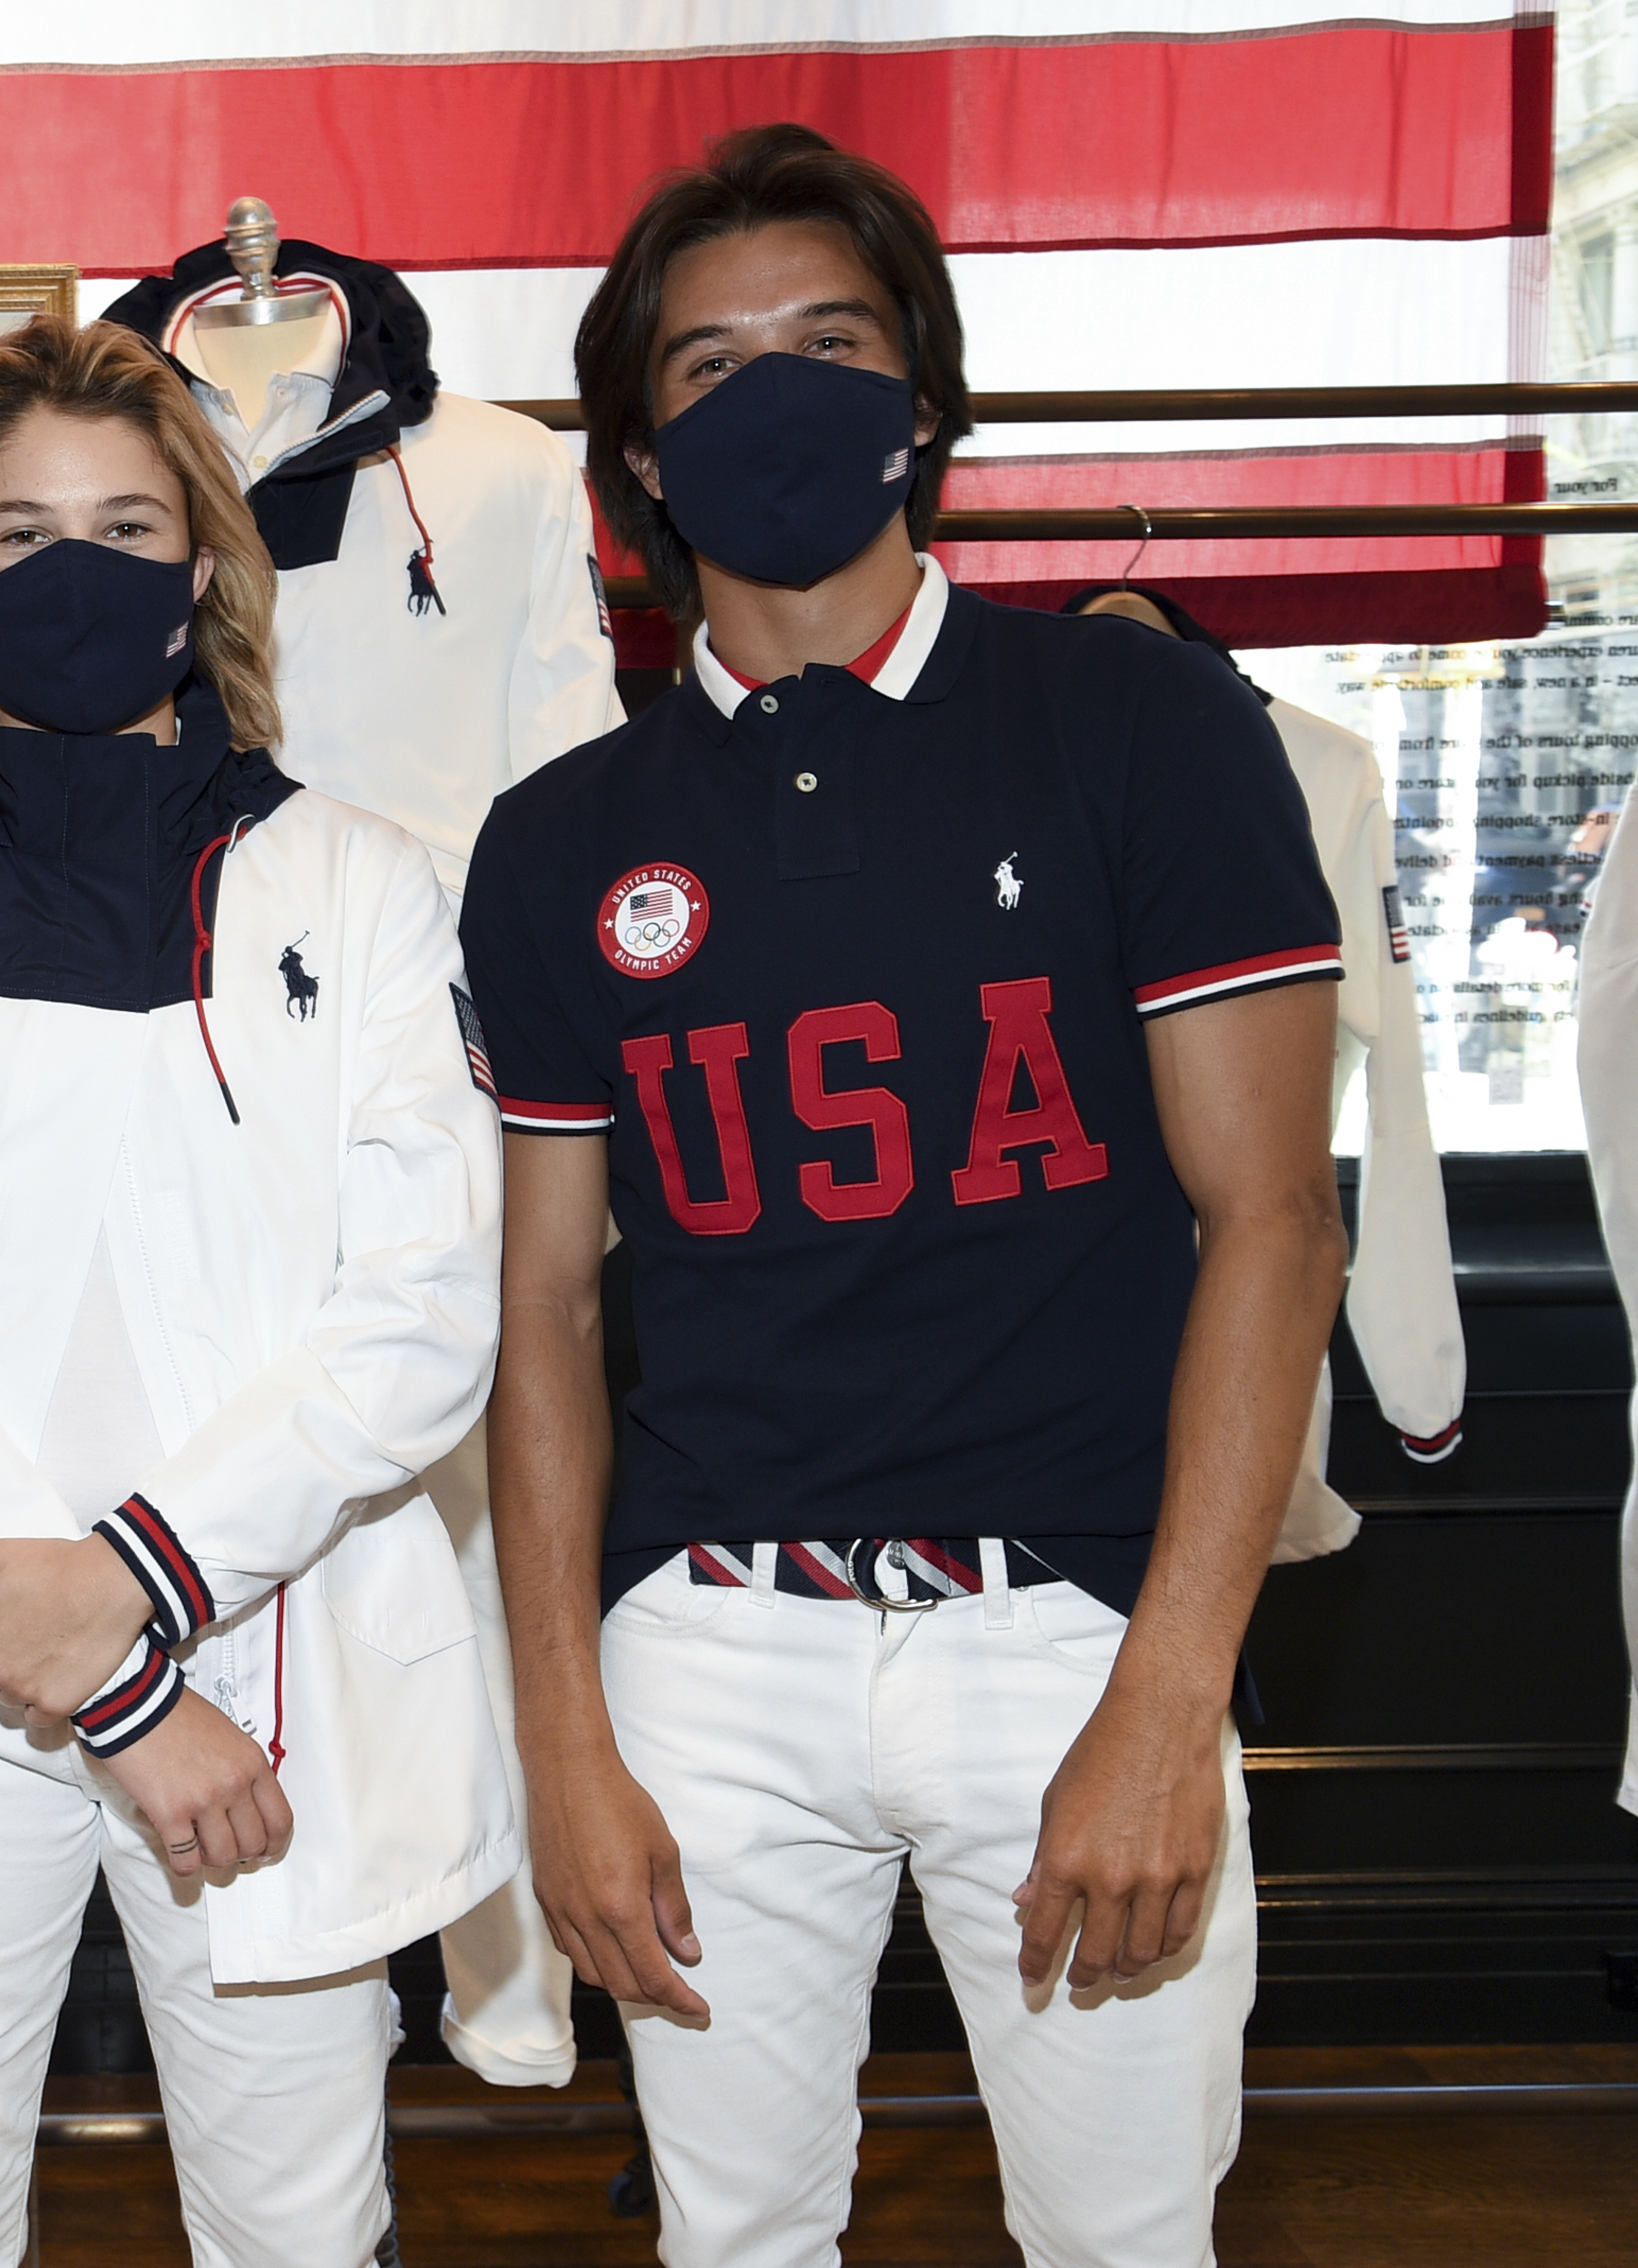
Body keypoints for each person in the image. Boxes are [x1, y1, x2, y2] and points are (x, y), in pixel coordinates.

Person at [461, 125, 1350, 2267]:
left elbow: (1274, 1227)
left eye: (829, 341)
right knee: (728, 2237)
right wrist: (562, 1740)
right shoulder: (558, 837)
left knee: (1125, 2238)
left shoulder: (1134, 718)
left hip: (1068, 1632)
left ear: (924, 398)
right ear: (644, 456)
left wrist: (1166, 1696)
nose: (774, 392)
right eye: (709, 365)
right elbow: (547, 1312)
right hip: (708, 1649)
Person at [0, 316, 512, 2268]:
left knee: (303, 2230)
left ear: (204, 568)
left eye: (124, 524)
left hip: (276, 1653)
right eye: (18, 532)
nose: (73, 570)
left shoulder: (360, 883)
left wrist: (142, 1593)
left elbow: (422, 1310)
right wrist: (111, 1672)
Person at [105, 223, 629, 2095]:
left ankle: (500, 1973)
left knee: (458, 1521)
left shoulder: (489, 467)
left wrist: (559, 1075)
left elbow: (570, 770)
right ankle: (212, 1922)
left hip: (429, 1048)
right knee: (198, 1471)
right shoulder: (111, 454)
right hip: (155, 1044)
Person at [1066, 584, 1466, 1550]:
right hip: (1032, 1318)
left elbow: (1393, 1085)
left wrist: (1417, 1364)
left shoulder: (1323, 766)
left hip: (1241, 1295)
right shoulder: (980, 761)